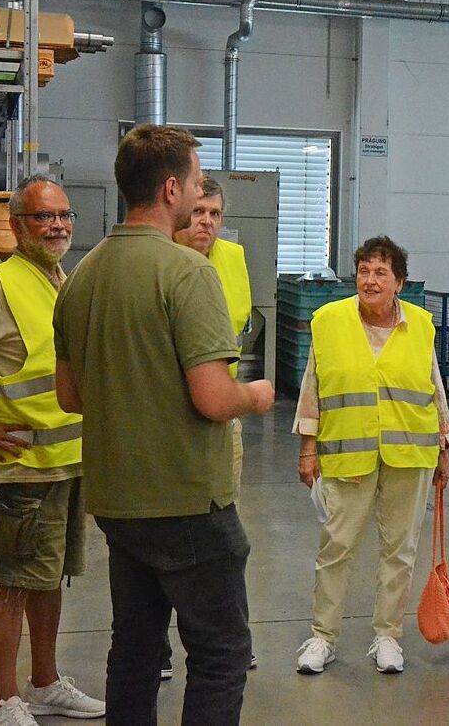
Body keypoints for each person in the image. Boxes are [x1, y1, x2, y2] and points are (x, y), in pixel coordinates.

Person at [52, 124, 275, 726]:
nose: (202, 200)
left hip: (117, 504)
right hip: (187, 503)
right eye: (198, 185)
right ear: (172, 189)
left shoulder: (80, 280)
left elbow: (69, 396)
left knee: (135, 651)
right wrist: (253, 395)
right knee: (222, 653)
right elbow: (211, 397)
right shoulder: (187, 273)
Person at [0, 176, 105, 726]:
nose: (58, 225)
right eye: (44, 217)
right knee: (16, 584)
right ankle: (5, 699)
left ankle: (44, 683)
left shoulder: (59, 279)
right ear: (17, 225)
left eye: (63, 215)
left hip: (66, 464)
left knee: (50, 579)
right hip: (24, 468)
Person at [292, 235, 449, 675]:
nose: (370, 279)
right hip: (348, 452)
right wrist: (308, 449)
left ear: (399, 282)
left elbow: (433, 386)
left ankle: (387, 636)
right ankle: (322, 637)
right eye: (364, 270)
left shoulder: (421, 324)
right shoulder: (329, 320)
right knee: (337, 546)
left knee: (400, 549)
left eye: (381, 272)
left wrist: (445, 446)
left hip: (411, 450)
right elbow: (314, 387)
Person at [166, 175, 256, 679]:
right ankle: (157, 646)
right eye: (198, 212)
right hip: (166, 419)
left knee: (224, 533)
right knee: (161, 535)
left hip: (224, 414)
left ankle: (232, 637)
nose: (206, 222)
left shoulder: (233, 261)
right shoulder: (162, 261)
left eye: (215, 214)